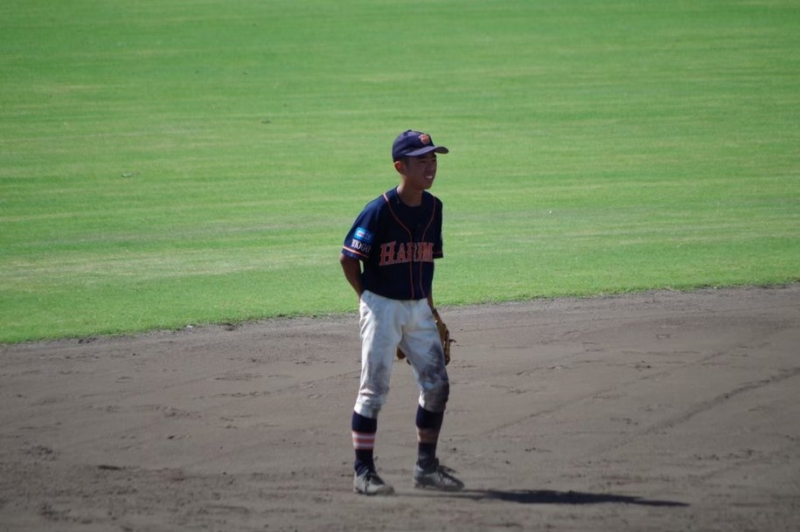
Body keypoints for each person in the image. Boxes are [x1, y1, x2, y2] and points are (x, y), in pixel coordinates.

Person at [339, 130, 464, 496]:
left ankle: (426, 467)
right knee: (373, 390)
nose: (431, 166)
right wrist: (366, 299)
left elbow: (426, 263)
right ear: (400, 167)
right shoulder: (378, 210)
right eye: (422, 160)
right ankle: (363, 472)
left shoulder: (434, 208)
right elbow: (348, 258)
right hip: (381, 307)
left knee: (437, 386)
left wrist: (431, 309)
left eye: (434, 159)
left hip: (418, 308)